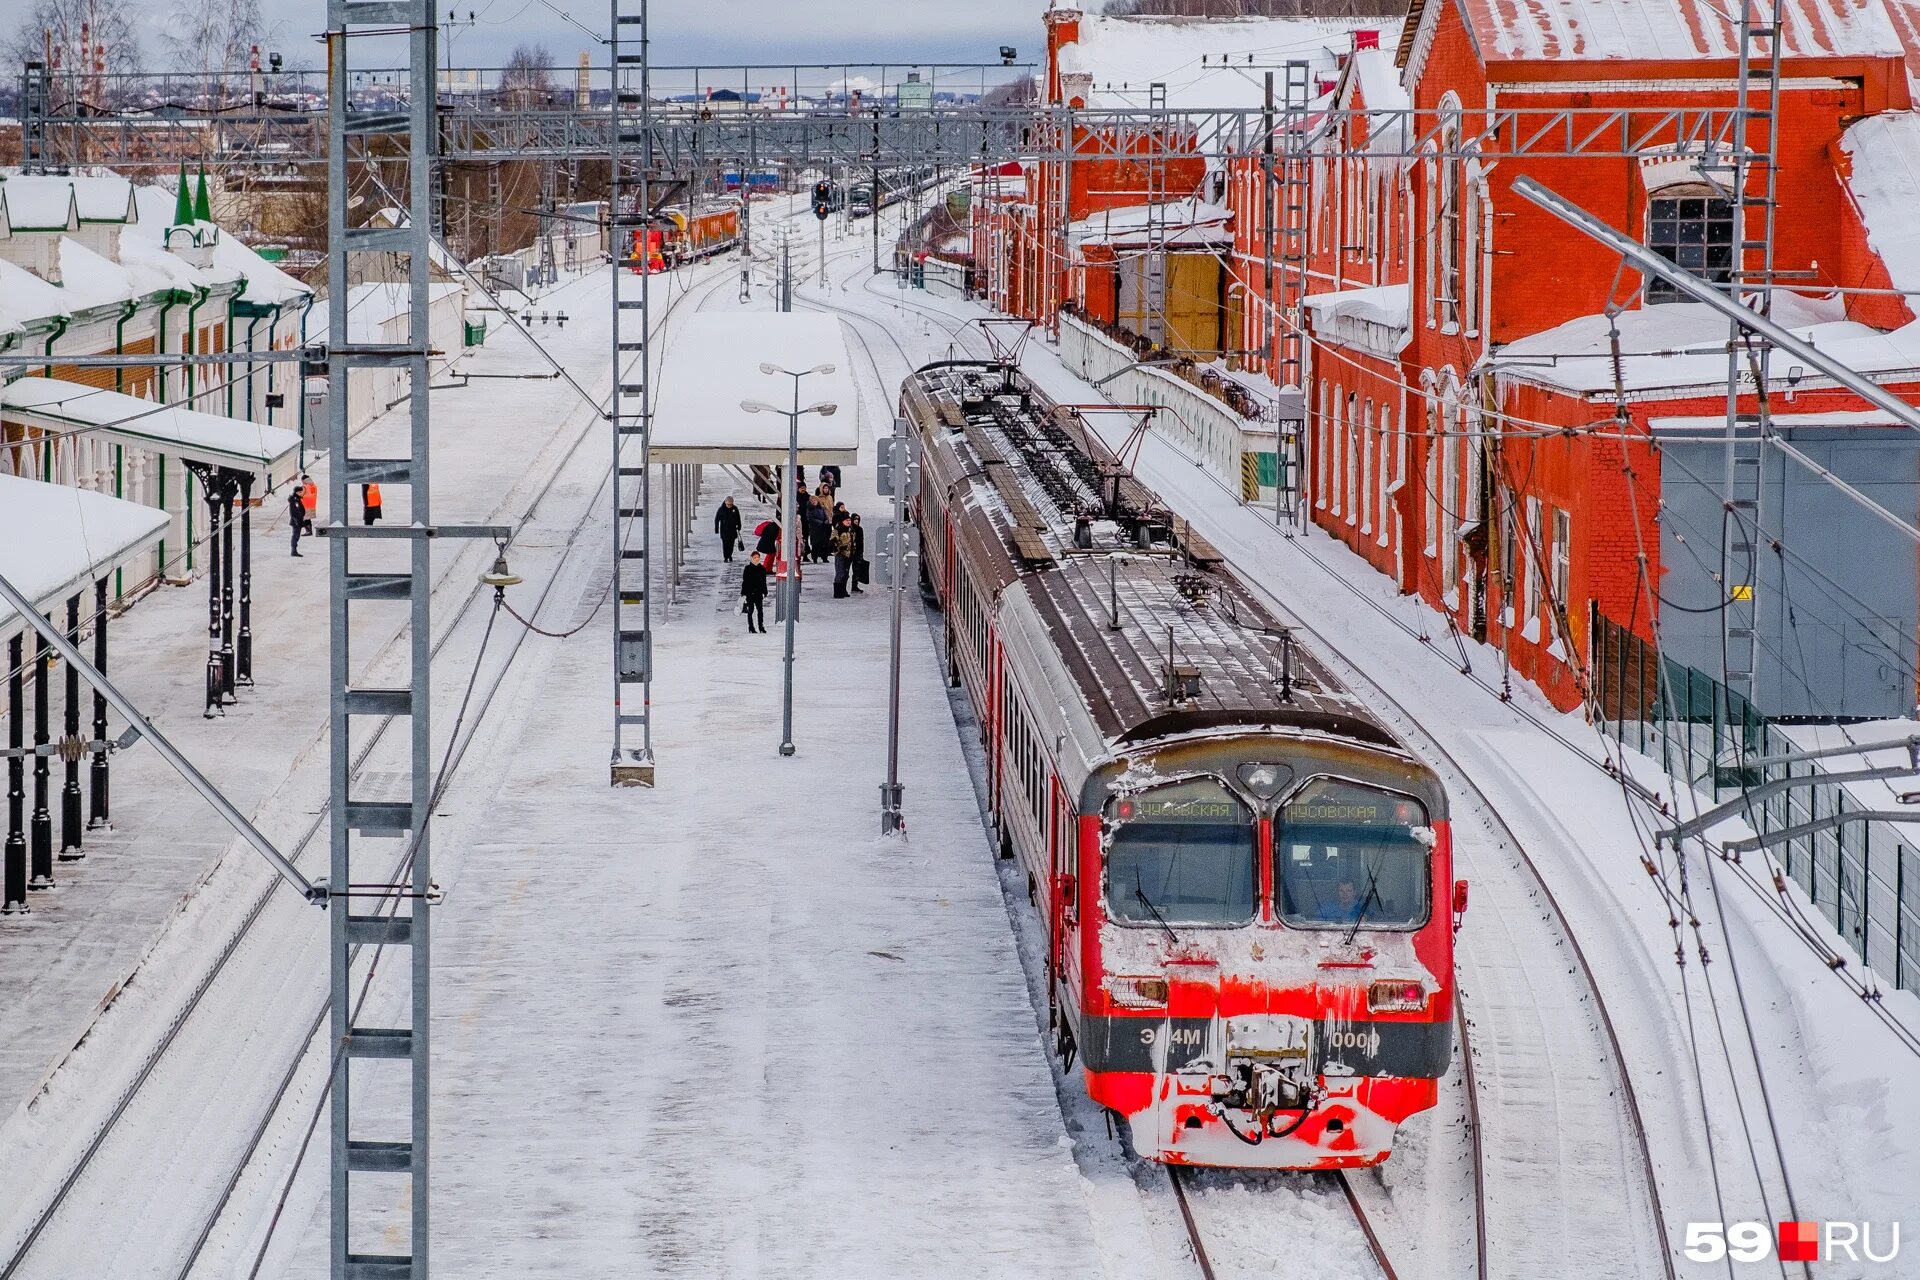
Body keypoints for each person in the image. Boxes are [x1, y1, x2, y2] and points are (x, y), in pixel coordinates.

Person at [740, 552, 769, 633]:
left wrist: (765, 591)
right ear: (751, 558)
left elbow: (764, 581)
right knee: (750, 611)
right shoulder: (747, 568)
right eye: (755, 557)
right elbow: (745, 581)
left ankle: (761, 627)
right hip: (749, 593)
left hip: (758, 593)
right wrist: (743, 593)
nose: (756, 559)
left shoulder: (762, 569)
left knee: (760, 611)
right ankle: (751, 627)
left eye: (758, 557)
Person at [805, 490, 832, 563]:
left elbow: (826, 516)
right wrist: (820, 522)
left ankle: (824, 557)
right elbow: (810, 518)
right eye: (812, 500)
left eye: (815, 500)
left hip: (823, 529)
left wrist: (826, 521)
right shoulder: (809, 509)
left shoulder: (822, 508)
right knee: (815, 544)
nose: (814, 502)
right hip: (815, 529)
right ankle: (815, 558)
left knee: (824, 544)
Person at [714, 496, 742, 563]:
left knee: (731, 544)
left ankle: (730, 555)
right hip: (724, 530)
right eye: (728, 504)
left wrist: (739, 526)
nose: (729, 506)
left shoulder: (735, 509)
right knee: (725, 544)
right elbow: (717, 519)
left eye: (730, 504)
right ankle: (726, 557)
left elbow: (738, 518)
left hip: (732, 530)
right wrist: (716, 528)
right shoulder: (721, 510)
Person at [831, 517, 854, 598]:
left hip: (848, 555)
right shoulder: (838, 530)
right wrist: (839, 547)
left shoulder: (850, 530)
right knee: (840, 574)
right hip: (840, 555)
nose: (848, 522)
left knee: (846, 574)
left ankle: (843, 590)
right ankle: (838, 593)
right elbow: (832, 542)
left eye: (849, 520)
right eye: (846, 520)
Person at [850, 512, 867, 593]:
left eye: (857, 519)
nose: (856, 521)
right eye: (855, 519)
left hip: (857, 553)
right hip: (849, 552)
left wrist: (861, 553)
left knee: (856, 571)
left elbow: (861, 542)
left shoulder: (860, 529)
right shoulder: (850, 529)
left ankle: (854, 586)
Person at [288, 487, 307, 556]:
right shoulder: (295, 500)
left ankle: (294, 550)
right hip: (296, 521)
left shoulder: (297, 499)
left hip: (298, 520)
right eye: (300, 492)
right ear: (297, 493)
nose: (302, 493)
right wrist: (296, 521)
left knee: (296, 536)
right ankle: (293, 551)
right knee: (295, 536)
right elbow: (293, 512)